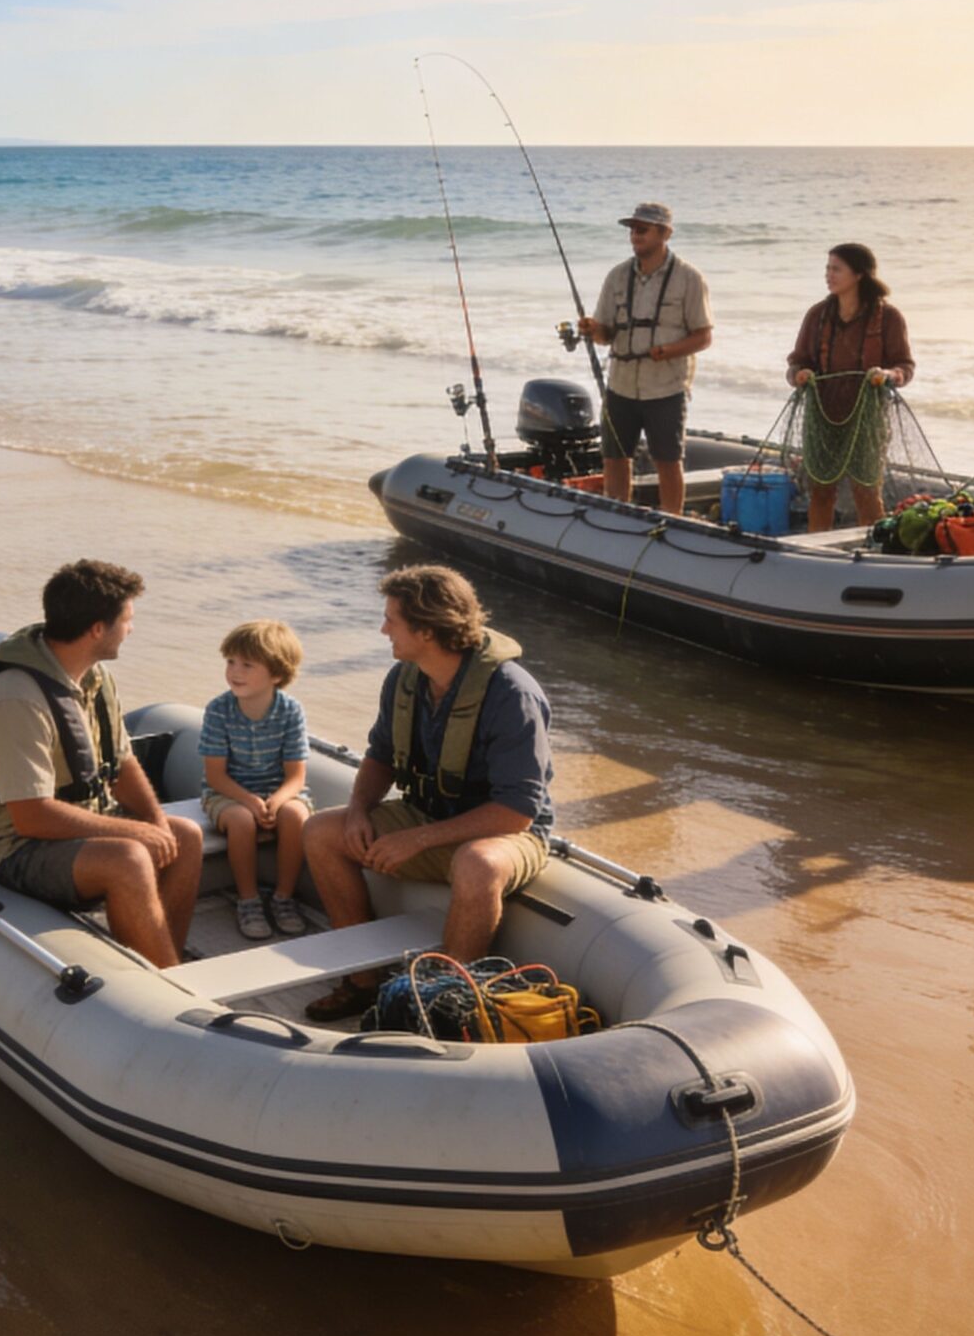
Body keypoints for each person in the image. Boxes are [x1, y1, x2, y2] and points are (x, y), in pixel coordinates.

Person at [299, 565, 555, 1023]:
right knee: (322, 830)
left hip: (504, 834)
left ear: (425, 628)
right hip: (430, 815)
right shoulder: (405, 679)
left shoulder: (511, 695)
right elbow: (380, 755)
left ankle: (442, 1007)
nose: (383, 630)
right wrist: (359, 810)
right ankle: (363, 983)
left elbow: (517, 811)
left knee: (477, 866)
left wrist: (417, 840)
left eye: (391, 620)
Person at [0, 560, 205, 969]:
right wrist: (134, 831)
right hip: (12, 847)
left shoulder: (93, 677)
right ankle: (167, 984)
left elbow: (121, 762)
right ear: (97, 629)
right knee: (128, 858)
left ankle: (163, 963)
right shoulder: (16, 700)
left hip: (80, 820)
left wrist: (154, 821)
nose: (131, 629)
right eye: (127, 620)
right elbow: (31, 818)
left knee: (185, 836)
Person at [576, 201, 714, 515]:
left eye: (643, 230)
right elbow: (605, 335)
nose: (635, 235)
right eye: (632, 230)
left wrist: (668, 351)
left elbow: (703, 336)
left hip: (666, 386)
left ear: (664, 233)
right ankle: (617, 514)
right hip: (620, 384)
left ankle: (672, 520)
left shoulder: (689, 278)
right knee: (614, 456)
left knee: (667, 459)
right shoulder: (616, 276)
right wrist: (592, 329)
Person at [786, 243, 914, 531]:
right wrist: (800, 374)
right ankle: (816, 554)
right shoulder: (817, 315)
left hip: (867, 420)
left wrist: (888, 375)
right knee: (820, 491)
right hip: (822, 417)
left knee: (867, 492)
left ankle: (873, 554)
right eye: (827, 268)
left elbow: (905, 366)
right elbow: (796, 362)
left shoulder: (889, 317)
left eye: (836, 269)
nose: (828, 275)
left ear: (859, 274)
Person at [200, 619, 312, 941]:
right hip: (227, 793)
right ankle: (247, 900)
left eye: (247, 665)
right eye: (231, 662)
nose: (235, 671)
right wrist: (250, 801)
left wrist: (276, 801)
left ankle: (283, 897)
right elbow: (215, 776)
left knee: (295, 815)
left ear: (276, 674)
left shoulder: (291, 711)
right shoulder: (219, 710)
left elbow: (296, 777)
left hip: (278, 790)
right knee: (242, 821)